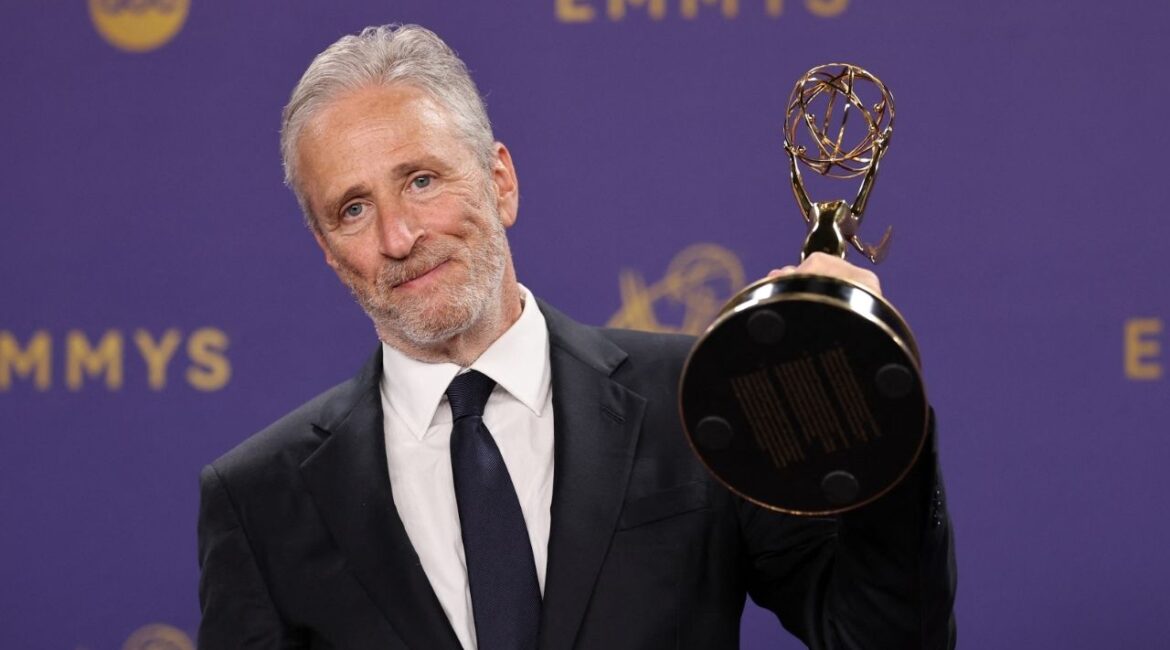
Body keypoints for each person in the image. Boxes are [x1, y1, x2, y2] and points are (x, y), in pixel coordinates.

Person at [196, 24, 956, 650]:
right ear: (330, 252)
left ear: (500, 182)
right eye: (354, 210)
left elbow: (886, 639)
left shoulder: (697, 401)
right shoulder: (259, 497)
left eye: (421, 180)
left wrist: (875, 412)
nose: (398, 237)